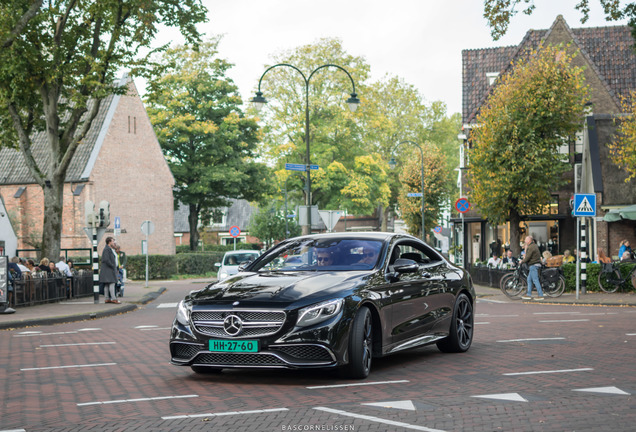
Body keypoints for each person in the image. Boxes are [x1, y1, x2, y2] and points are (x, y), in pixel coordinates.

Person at [521, 235, 544, 301]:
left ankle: (540, 295)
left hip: (533, 265)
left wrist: (522, 261)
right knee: (529, 279)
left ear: (529, 240)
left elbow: (528, 257)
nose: (525, 241)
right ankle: (528, 294)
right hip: (534, 265)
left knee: (535, 280)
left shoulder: (531, 247)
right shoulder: (534, 245)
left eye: (525, 239)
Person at [99, 236, 120, 304]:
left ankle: (107, 298)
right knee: (112, 283)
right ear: (109, 242)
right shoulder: (107, 249)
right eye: (113, 241)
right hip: (109, 269)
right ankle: (113, 299)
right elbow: (106, 259)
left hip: (108, 269)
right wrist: (113, 266)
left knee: (107, 284)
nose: (114, 242)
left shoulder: (109, 249)